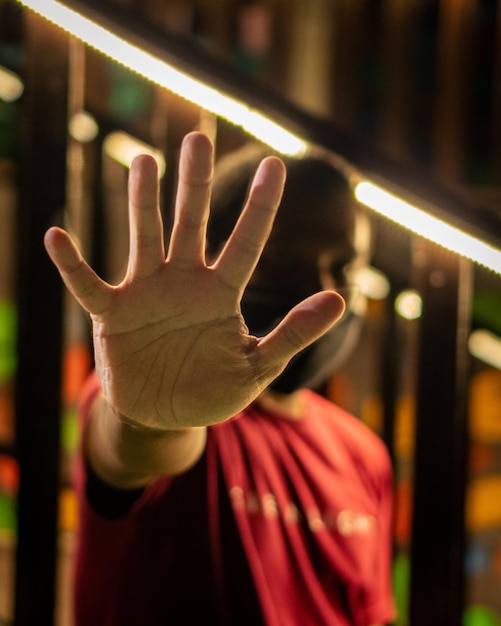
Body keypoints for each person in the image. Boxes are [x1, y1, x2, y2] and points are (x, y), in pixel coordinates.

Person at [44, 131, 395, 626]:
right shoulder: (161, 398)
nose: (320, 289)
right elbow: (136, 448)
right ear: (211, 260)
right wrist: (150, 423)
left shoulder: (362, 454)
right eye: (281, 261)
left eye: (342, 267)